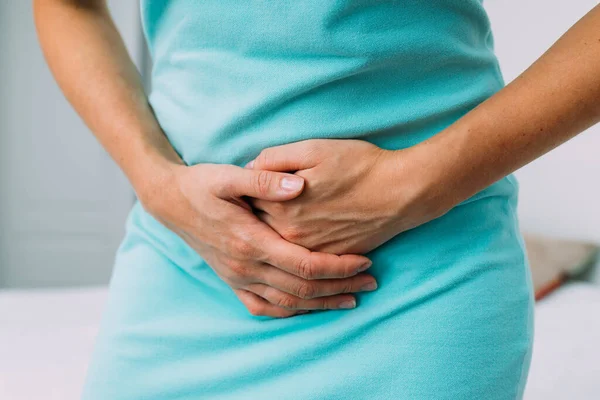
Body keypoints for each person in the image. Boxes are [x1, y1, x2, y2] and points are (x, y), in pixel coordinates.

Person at [34, 0, 600, 399]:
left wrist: (410, 185)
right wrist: (155, 183)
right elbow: (66, 5)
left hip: (416, 286)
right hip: (183, 262)